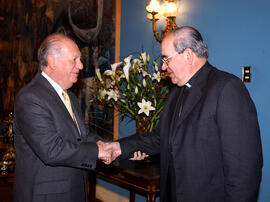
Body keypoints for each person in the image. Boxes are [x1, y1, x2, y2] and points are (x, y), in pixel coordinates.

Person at [105, 26, 263, 202]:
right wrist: (119, 147)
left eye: (166, 59)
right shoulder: (176, 92)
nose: (163, 67)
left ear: (188, 55)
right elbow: (160, 138)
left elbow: (244, 172)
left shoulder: (227, 89)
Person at [13, 33, 115, 202]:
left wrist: (113, 147)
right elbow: (51, 150)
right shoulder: (30, 98)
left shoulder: (69, 96)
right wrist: (98, 150)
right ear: (52, 61)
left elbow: (83, 135)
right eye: (74, 59)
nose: (81, 66)